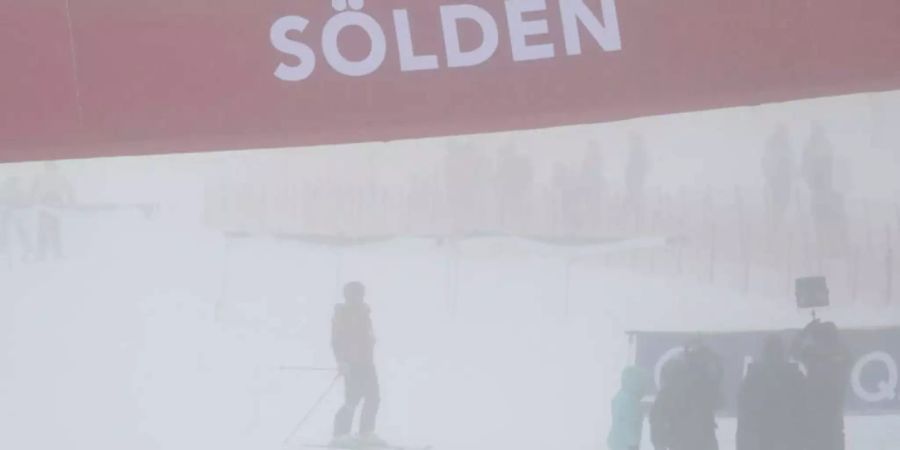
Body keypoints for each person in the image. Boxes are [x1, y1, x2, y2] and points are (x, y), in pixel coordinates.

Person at [331, 281, 385, 447]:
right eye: (354, 295)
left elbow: (365, 335)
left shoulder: (364, 313)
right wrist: (341, 361)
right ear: (347, 296)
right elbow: (336, 340)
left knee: (373, 397)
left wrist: (371, 341)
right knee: (352, 399)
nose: (358, 298)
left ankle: (366, 432)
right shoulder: (342, 314)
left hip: (367, 362)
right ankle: (340, 435)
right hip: (351, 364)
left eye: (360, 295)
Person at [736, 335, 805, 450]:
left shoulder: (754, 376)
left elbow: (744, 411)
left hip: (767, 435)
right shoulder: (793, 376)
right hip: (782, 434)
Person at [650, 341, 722, 450]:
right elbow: (719, 402)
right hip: (702, 440)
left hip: (680, 441)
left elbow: (657, 419)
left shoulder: (668, 390)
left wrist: (659, 443)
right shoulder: (703, 385)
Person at [792, 320, 849, 450]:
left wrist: (804, 333)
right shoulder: (842, 356)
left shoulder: (813, 356)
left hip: (814, 422)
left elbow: (793, 351)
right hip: (833, 424)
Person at [608, 366, 650, 450]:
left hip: (617, 442)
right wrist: (633, 445)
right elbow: (629, 425)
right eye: (642, 383)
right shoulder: (630, 401)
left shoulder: (621, 396)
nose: (645, 387)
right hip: (626, 445)